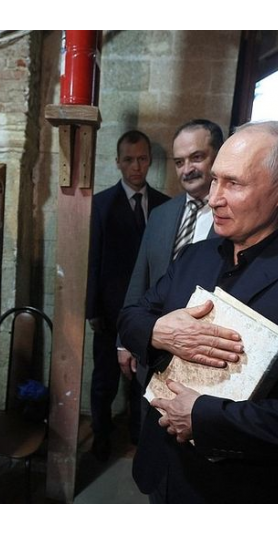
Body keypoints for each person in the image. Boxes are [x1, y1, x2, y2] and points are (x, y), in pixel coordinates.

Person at [118, 121, 278, 503]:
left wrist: (204, 418)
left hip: (237, 490)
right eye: (215, 180)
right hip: (160, 471)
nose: (213, 198)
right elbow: (132, 316)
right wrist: (159, 331)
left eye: (233, 184)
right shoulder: (194, 255)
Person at [121, 119, 223, 400]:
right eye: (179, 162)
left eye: (197, 158)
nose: (187, 169)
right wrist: (125, 342)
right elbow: (139, 278)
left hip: (203, 357)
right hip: (152, 346)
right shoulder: (161, 213)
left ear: (218, 156)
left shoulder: (231, 217)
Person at [86, 130, 169, 460]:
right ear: (118, 162)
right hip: (109, 310)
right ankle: (101, 436)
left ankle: (138, 432)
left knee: (144, 379)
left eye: (143, 159)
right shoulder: (102, 204)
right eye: (130, 160)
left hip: (151, 312)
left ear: (149, 160)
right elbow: (93, 258)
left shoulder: (164, 205)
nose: (137, 167)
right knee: (104, 379)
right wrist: (92, 309)